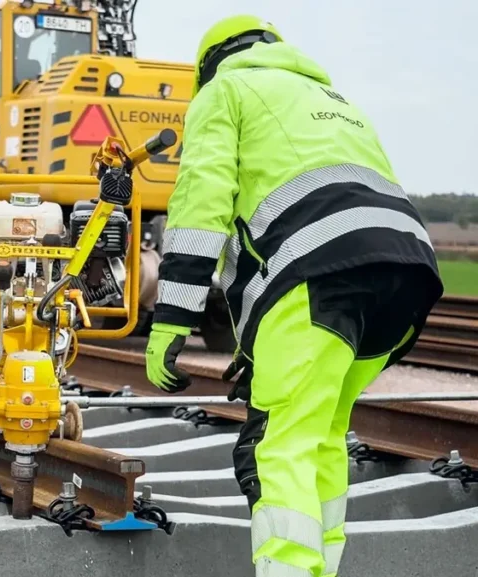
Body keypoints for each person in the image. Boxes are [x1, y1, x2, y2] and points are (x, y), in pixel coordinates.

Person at [144, 15, 443, 577]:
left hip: (318, 273)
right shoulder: (334, 98)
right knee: (322, 436)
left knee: (275, 446)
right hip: (406, 275)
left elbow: (199, 209)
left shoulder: (225, 91)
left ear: (208, 65)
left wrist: (171, 321)